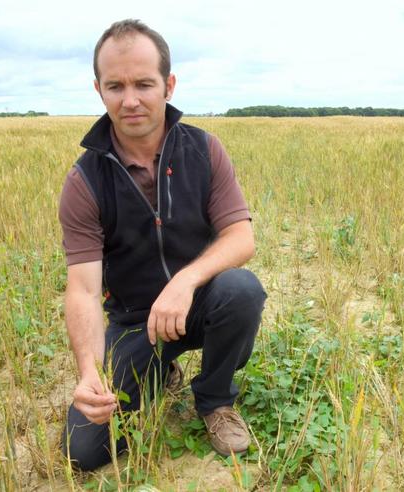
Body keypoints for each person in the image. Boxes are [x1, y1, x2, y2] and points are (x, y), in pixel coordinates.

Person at [58, 19, 266, 471]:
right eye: (115, 86)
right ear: (98, 90)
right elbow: (84, 290)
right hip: (135, 324)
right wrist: (89, 373)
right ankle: (159, 370)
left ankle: (214, 400)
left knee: (242, 291)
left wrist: (186, 281)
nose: (130, 99)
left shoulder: (204, 150)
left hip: (199, 303)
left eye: (143, 84)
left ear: (168, 85)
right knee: (84, 450)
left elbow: (241, 236)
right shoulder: (84, 181)